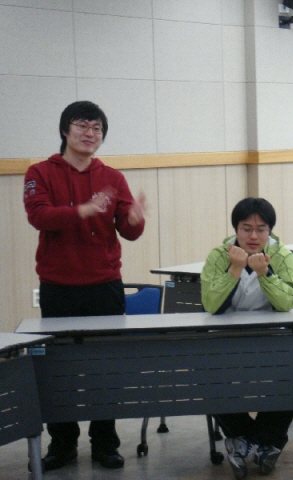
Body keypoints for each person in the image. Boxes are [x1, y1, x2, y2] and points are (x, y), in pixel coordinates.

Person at [23, 100, 146, 471]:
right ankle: (62, 444)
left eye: (97, 129)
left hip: (104, 285)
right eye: (82, 126)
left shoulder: (112, 177)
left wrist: (135, 219)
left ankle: (105, 443)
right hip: (58, 286)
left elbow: (129, 230)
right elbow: (39, 216)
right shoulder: (40, 172)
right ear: (65, 130)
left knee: (104, 368)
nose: (90, 134)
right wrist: (82, 211)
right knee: (58, 368)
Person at [200, 197, 293, 479]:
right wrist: (234, 269)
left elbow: (287, 302)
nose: (253, 236)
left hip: (272, 339)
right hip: (226, 340)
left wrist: (264, 273)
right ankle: (259, 441)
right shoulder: (219, 255)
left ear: (270, 231)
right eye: (246, 229)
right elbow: (211, 304)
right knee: (207, 374)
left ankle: (247, 442)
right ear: (236, 229)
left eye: (261, 229)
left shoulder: (282, 256)